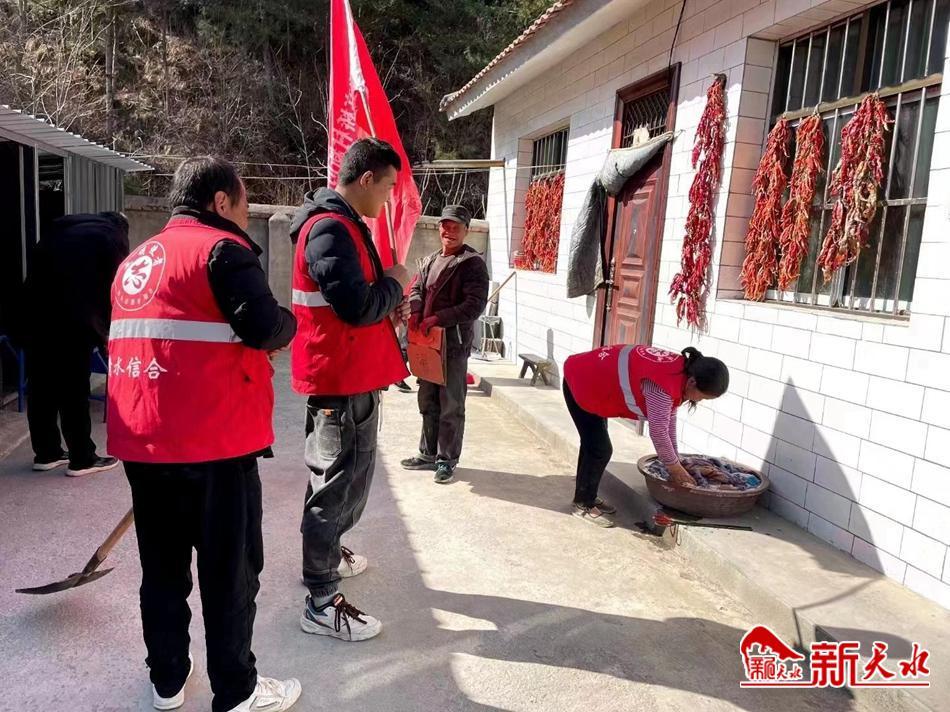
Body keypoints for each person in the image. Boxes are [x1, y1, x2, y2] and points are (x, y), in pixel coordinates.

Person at [107, 157, 301, 712]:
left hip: (144, 442)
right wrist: (286, 325)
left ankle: (167, 680)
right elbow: (264, 325)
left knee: (162, 569)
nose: (244, 214)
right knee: (229, 572)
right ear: (220, 202)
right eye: (243, 203)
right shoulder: (222, 251)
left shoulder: (136, 260)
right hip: (213, 444)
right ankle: (237, 691)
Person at [289, 137, 411, 642]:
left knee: (346, 479)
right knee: (335, 485)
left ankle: (327, 553)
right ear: (365, 179)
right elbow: (357, 307)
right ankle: (320, 597)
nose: (388, 197)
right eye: (387, 186)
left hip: (351, 376)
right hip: (339, 382)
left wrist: (388, 300)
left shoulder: (344, 226)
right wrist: (396, 283)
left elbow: (361, 301)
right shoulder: (329, 230)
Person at [561, 345, 729, 528]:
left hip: (595, 383)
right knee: (600, 449)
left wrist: (678, 462)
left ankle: (586, 496)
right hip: (581, 382)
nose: (698, 401)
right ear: (692, 382)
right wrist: (675, 469)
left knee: (593, 445)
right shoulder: (662, 385)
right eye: (701, 397)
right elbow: (659, 432)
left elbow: (668, 423)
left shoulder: (679, 373)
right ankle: (583, 503)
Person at [21, 211, 129, 476]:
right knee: (73, 388)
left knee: (41, 386)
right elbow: (115, 289)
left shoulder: (55, 233)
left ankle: (47, 453)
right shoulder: (111, 237)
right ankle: (82, 458)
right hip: (73, 322)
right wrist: (109, 332)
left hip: (33, 319)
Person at [400, 205, 489, 484]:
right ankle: (428, 454)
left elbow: (474, 305)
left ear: (466, 230)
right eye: (445, 226)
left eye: (456, 227)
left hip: (453, 346)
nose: (449, 231)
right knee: (427, 400)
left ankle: (446, 460)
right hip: (427, 345)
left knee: (451, 405)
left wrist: (438, 318)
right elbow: (416, 288)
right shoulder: (429, 260)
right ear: (439, 227)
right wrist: (416, 311)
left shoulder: (471, 263)